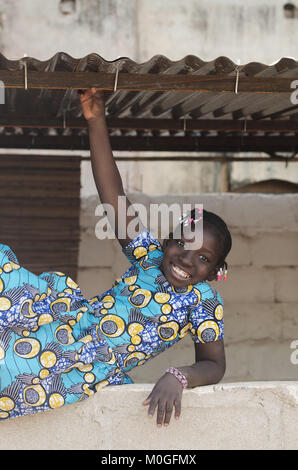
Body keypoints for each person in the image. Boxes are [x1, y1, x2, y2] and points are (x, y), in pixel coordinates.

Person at [0, 88, 231, 426]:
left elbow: (214, 364)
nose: (186, 260)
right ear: (167, 242)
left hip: (87, 366)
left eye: (204, 258)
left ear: (214, 272)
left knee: (12, 374)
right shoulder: (149, 257)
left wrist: (179, 377)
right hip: (63, 323)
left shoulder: (205, 301)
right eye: (182, 244)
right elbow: (113, 196)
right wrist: (96, 119)